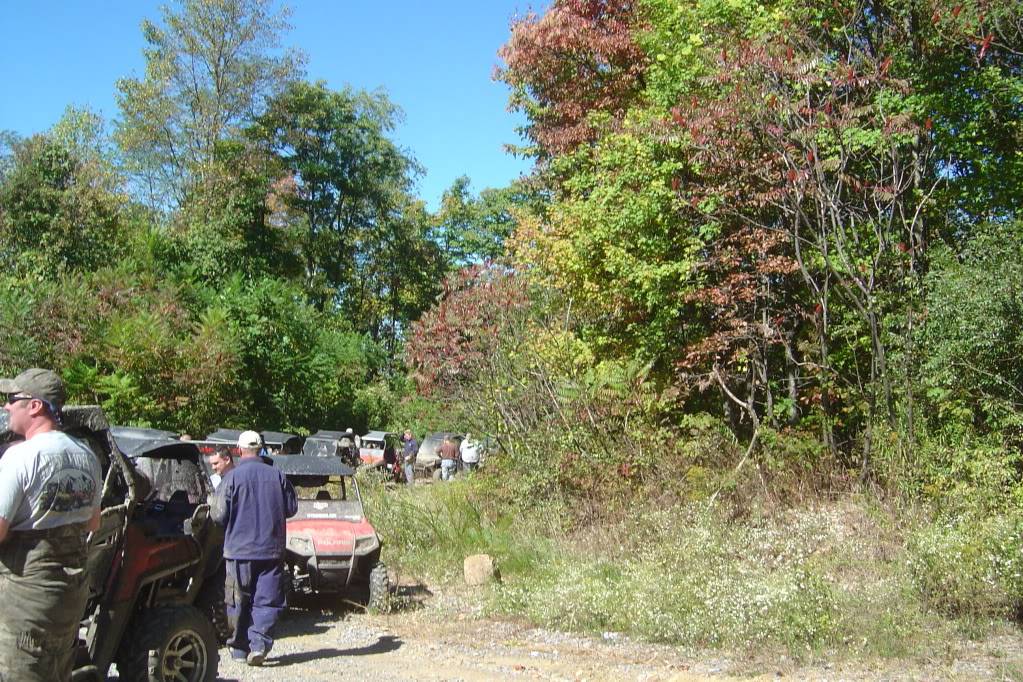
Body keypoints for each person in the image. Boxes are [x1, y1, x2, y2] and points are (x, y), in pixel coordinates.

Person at [0, 368, 102, 681]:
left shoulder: (21, 457)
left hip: (25, 603)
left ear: (34, 406)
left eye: (11, 399)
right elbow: (93, 523)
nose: (6, 406)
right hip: (68, 598)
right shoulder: (88, 455)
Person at [212, 430, 297, 667]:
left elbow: (218, 515)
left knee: (237, 601)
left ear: (239, 450)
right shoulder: (277, 475)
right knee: (267, 601)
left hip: (238, 552)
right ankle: (258, 644)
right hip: (271, 550)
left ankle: (238, 649)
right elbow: (291, 508)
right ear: (261, 449)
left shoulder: (232, 477)